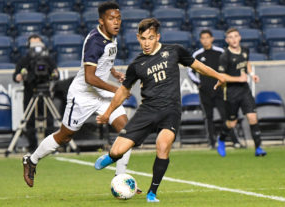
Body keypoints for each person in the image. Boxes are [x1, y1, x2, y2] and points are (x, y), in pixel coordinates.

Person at [94, 18, 233, 202]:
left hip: (170, 111)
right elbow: (123, 91)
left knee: (163, 144)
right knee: (118, 151)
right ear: (138, 38)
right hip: (147, 111)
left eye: (150, 38)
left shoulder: (174, 51)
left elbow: (197, 65)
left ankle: (152, 192)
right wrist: (107, 113)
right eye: (143, 38)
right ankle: (112, 156)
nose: (146, 43)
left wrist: (218, 75)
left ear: (157, 37)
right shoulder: (137, 64)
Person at [22, 2, 141, 193]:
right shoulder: (95, 40)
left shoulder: (111, 36)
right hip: (83, 94)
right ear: (101, 21)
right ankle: (31, 160)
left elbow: (103, 60)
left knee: (126, 132)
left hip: (101, 93)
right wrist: (116, 90)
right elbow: (89, 77)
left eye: (118, 18)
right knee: (64, 136)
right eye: (111, 19)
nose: (116, 22)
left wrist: (114, 72)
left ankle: (121, 179)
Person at [216, 28, 267, 157]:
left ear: (239, 37)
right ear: (227, 40)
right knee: (231, 123)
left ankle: (258, 147)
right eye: (230, 37)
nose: (234, 39)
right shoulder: (224, 56)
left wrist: (252, 74)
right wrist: (238, 78)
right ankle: (221, 139)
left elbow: (246, 63)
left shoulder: (245, 50)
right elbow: (221, 76)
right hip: (231, 92)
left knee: (252, 117)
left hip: (244, 90)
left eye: (236, 36)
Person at [188, 29, 241, 149]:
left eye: (207, 37)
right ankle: (211, 143)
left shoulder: (220, 52)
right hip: (205, 92)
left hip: (220, 91)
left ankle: (235, 141)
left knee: (225, 116)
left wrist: (225, 81)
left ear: (212, 39)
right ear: (200, 40)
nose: (205, 40)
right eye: (203, 38)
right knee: (208, 117)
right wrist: (199, 84)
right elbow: (190, 72)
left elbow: (228, 67)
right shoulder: (197, 55)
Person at [13, 34, 59, 153]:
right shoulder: (24, 60)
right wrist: (19, 76)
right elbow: (16, 75)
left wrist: (55, 74)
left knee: (49, 119)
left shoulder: (48, 59)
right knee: (29, 121)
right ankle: (33, 147)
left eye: (38, 44)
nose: (36, 47)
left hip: (45, 91)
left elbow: (55, 72)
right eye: (33, 44)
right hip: (30, 93)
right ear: (29, 46)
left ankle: (50, 147)